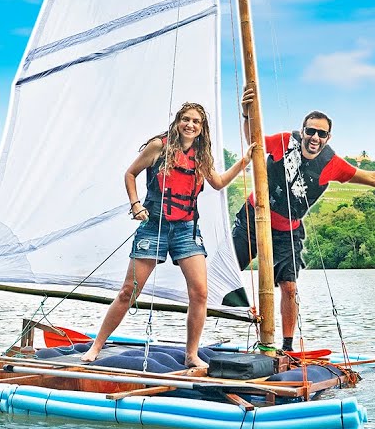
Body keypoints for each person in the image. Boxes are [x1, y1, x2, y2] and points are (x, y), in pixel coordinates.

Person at [233, 85, 375, 352]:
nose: (315, 138)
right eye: (311, 131)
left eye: (322, 134)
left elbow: (373, 177)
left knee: (289, 287)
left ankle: (286, 347)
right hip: (253, 218)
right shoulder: (285, 141)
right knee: (223, 272)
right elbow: (254, 140)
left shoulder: (332, 164)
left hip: (288, 230)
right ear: (303, 130)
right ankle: (194, 341)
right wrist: (246, 113)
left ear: (328, 137)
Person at [81, 102, 256, 370]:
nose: (190, 125)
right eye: (186, 119)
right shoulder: (158, 147)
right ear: (177, 123)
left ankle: (191, 354)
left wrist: (245, 161)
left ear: (201, 128)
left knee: (200, 292)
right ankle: (96, 346)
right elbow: (130, 174)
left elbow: (218, 183)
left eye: (196, 121)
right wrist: (135, 204)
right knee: (129, 290)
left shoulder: (202, 155)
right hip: (153, 226)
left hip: (186, 229)